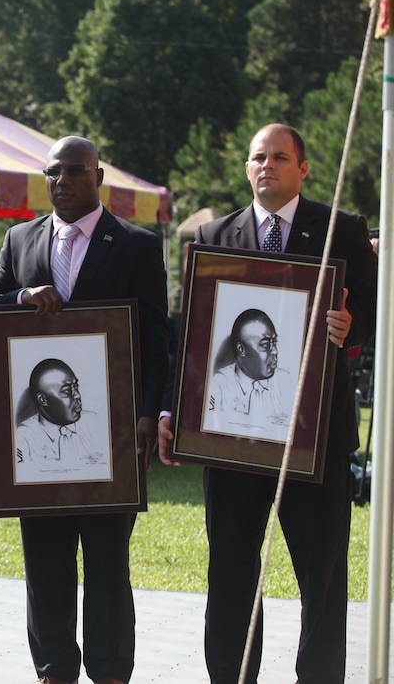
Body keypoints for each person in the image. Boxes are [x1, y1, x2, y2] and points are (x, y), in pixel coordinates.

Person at [158, 123, 377, 683]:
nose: (267, 166)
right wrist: (171, 412)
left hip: (315, 440)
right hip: (231, 441)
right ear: (247, 168)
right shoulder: (213, 236)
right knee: (230, 570)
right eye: (258, 157)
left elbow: (377, 315)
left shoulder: (342, 232)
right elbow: (191, 338)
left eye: (280, 157)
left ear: (303, 169)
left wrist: (352, 326)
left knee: (322, 577)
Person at [0, 135, 170, 684]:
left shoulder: (134, 244)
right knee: (45, 560)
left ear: (98, 175)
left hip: (112, 433)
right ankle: (53, 668)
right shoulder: (20, 240)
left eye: (74, 171)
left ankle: (110, 670)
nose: (62, 181)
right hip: (38, 447)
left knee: (109, 560)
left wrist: (149, 411)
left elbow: (156, 336)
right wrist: (21, 296)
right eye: (53, 173)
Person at [204, 308, 294, 437]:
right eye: (265, 345)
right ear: (241, 350)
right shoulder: (220, 385)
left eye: (274, 343)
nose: (274, 351)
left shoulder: (286, 382)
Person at [14, 358, 106, 482]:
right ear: (43, 400)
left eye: (76, 387)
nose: (78, 395)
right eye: (67, 391)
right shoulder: (25, 438)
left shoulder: (94, 423)